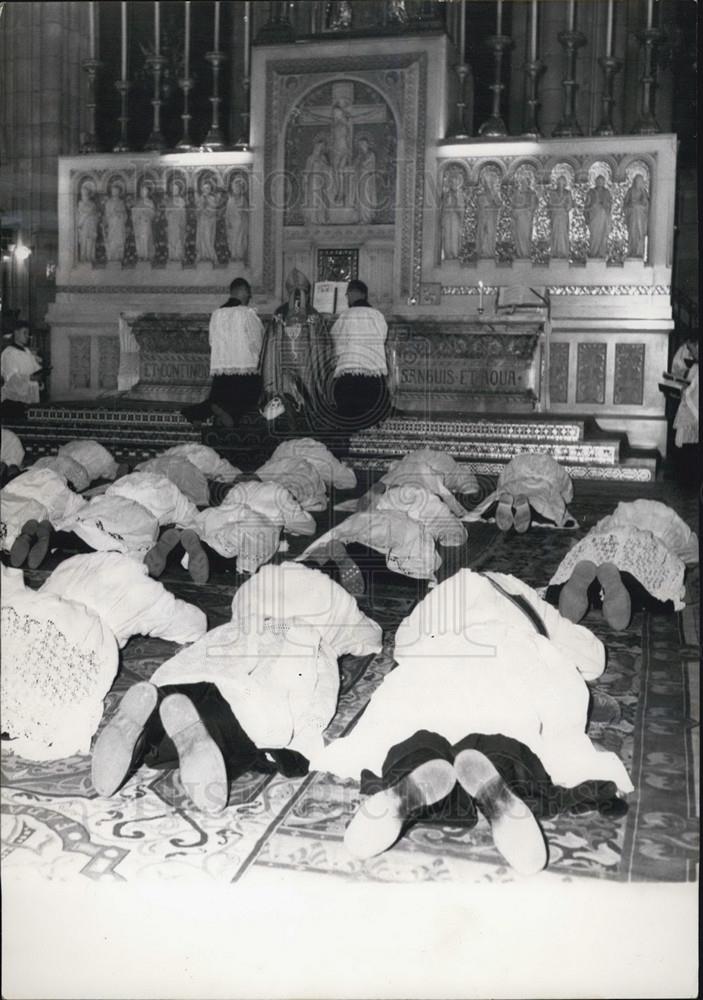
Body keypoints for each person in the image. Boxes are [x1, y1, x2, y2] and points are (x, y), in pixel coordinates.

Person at [312, 568, 633, 873]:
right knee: (512, 727)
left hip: (443, 658)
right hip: (513, 657)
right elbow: (592, 658)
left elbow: (405, 645)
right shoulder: (528, 601)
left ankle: (406, 782)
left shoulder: (445, 592)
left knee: (415, 721)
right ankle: (501, 788)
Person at [90, 561, 382, 814]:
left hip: (220, 652)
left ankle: (145, 721)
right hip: (259, 678)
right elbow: (369, 638)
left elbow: (240, 610)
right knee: (242, 721)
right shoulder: (320, 614)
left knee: (179, 698)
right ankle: (201, 739)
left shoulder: (260, 588)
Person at [1, 553, 206, 762]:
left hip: (29, 616)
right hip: (79, 636)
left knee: (19, 660)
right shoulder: (142, 590)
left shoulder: (69, 564)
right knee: (46, 689)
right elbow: (195, 625)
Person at [548, 499, 698, 630]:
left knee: (596, 569)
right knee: (650, 593)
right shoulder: (671, 528)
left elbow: (593, 534)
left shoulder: (617, 518)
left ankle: (581, 581)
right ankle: (619, 581)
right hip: (643, 549)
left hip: (607, 544)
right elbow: (688, 555)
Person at [182, 277, 265, 428]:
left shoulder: (217, 314)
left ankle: (196, 412)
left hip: (222, 368)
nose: (250, 296)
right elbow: (257, 341)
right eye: (248, 293)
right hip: (246, 368)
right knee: (250, 397)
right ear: (243, 292)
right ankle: (229, 415)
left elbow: (212, 341)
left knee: (220, 397)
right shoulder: (248, 314)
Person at [261, 270, 331, 433]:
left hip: (299, 367)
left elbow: (271, 343)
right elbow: (272, 343)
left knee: (298, 393)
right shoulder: (291, 313)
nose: (298, 297)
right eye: (296, 293)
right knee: (289, 393)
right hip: (292, 367)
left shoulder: (305, 314)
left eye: (301, 293)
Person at [329, 279, 391, 431]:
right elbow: (382, 337)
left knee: (347, 414)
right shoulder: (378, 316)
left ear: (350, 294)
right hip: (373, 378)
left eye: (347, 294)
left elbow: (335, 341)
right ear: (365, 295)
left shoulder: (345, 316)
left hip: (349, 379)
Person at [464, 453, 578, 533]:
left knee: (495, 501)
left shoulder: (514, 478)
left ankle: (497, 508)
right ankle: (527, 509)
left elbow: (498, 491)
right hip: (538, 497)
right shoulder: (549, 485)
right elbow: (558, 503)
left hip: (514, 487)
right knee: (544, 513)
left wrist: (476, 512)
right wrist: (560, 520)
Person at [1, 322, 46, 416]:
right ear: (16, 333)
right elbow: (11, 378)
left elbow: (36, 369)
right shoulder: (9, 353)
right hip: (13, 401)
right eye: (24, 333)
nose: (27, 336)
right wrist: (29, 378)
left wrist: (40, 377)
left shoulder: (27, 352)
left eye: (28, 334)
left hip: (30, 399)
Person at [440, 166, 466, 261]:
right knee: (447, 237)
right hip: (447, 218)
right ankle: (447, 254)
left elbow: (461, 209)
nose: (453, 183)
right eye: (451, 181)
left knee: (454, 237)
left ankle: (454, 254)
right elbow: (442, 208)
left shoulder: (459, 194)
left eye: (455, 181)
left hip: (455, 219)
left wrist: (456, 202)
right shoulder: (446, 194)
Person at [476, 169, 502, 258]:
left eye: (491, 182)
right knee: (483, 234)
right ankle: (482, 252)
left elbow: (499, 204)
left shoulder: (496, 195)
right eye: (487, 182)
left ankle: (489, 253)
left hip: (492, 217)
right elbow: (481, 205)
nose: (488, 184)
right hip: (483, 217)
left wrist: (493, 196)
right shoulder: (481, 195)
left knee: (490, 233)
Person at [585, 175, 612, 258]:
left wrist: (605, 204)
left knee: (603, 235)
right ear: (595, 182)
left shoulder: (606, 192)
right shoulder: (591, 192)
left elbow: (609, 204)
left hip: (603, 215)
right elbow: (586, 205)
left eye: (602, 181)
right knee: (594, 235)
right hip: (594, 215)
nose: (600, 183)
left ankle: (601, 253)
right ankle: (593, 252)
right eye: (598, 181)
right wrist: (592, 207)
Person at [510, 175, 537, 258]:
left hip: (526, 218)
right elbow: (513, 205)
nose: (523, 183)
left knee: (525, 235)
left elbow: (532, 207)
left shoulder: (531, 193)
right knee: (518, 235)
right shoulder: (517, 193)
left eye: (524, 181)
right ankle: (520, 253)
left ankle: (525, 254)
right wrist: (516, 209)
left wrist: (522, 208)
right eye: (521, 182)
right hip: (518, 217)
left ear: (528, 183)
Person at [624, 174, 649, 259]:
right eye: (637, 181)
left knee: (640, 234)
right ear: (634, 182)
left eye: (640, 181)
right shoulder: (630, 191)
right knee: (632, 234)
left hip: (641, 218)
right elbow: (625, 204)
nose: (639, 183)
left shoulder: (644, 192)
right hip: (632, 216)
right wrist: (631, 205)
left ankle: (639, 252)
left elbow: (646, 205)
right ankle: (632, 252)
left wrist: (642, 201)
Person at [195, 179, 220, 262]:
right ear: (202, 189)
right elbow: (197, 211)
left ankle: (210, 256)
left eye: (208, 188)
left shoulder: (212, 198)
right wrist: (201, 209)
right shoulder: (200, 199)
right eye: (205, 188)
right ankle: (203, 255)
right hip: (202, 221)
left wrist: (207, 210)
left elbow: (214, 209)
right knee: (202, 238)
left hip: (210, 222)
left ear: (210, 190)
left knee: (208, 238)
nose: (206, 190)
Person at [548, 176, 573, 259]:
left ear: (565, 183)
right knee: (555, 232)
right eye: (559, 182)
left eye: (562, 182)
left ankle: (563, 252)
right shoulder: (552, 192)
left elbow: (569, 205)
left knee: (563, 233)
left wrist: (563, 206)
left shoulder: (567, 193)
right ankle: (555, 252)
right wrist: (556, 206)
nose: (560, 184)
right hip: (555, 215)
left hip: (563, 215)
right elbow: (550, 204)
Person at [225, 174, 249, 262]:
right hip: (232, 224)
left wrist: (242, 210)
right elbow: (227, 213)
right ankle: (234, 255)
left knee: (240, 239)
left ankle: (240, 255)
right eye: (235, 187)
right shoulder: (230, 200)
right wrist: (227, 222)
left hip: (241, 223)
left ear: (241, 189)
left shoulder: (243, 199)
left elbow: (247, 211)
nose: (236, 189)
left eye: (238, 187)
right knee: (233, 240)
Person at [103, 182, 128, 262]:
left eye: (116, 191)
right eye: (113, 190)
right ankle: (112, 257)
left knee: (119, 241)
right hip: (112, 225)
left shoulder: (121, 202)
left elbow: (125, 215)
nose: (115, 192)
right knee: (112, 241)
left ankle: (119, 257)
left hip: (119, 226)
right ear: (111, 191)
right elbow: (106, 215)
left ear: (119, 192)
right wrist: (112, 215)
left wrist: (119, 214)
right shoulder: (108, 202)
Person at [131, 182, 156, 261]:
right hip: (138, 224)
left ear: (148, 192)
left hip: (145, 223)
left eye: (145, 191)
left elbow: (152, 213)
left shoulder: (150, 202)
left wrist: (145, 211)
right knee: (139, 239)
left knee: (146, 239)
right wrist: (137, 213)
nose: (143, 192)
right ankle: (140, 255)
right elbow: (133, 212)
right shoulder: (137, 202)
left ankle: (146, 256)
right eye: (141, 191)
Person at [164, 178, 187, 262]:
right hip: (171, 224)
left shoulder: (181, 200)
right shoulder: (169, 201)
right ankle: (172, 256)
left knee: (178, 239)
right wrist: (170, 212)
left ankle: (178, 257)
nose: (174, 190)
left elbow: (182, 212)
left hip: (178, 224)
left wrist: (175, 209)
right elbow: (166, 213)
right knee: (171, 239)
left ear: (179, 190)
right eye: (173, 189)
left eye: (176, 189)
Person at [76, 183, 99, 263]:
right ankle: (83, 257)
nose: (84, 194)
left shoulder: (92, 204)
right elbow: (79, 214)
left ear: (88, 194)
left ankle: (89, 257)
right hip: (83, 225)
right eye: (83, 193)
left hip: (91, 225)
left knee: (90, 241)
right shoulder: (80, 203)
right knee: (83, 242)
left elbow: (96, 215)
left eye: (86, 193)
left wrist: (92, 216)